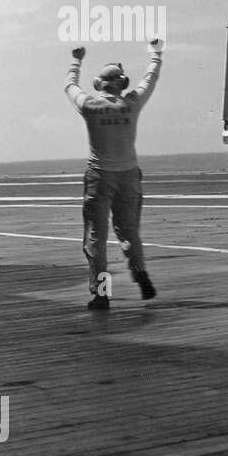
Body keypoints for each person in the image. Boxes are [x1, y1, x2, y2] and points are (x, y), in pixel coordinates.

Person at [66, 40, 164, 310]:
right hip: (129, 175)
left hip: (100, 176)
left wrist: (76, 61)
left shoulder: (89, 105)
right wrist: (156, 54)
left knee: (96, 236)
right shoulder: (131, 104)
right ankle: (140, 272)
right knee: (129, 230)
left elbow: (70, 87)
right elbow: (150, 79)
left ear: (99, 83)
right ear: (122, 83)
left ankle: (102, 294)